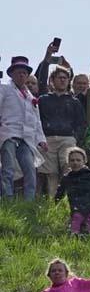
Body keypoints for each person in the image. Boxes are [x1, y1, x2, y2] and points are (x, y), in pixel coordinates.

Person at [0, 56, 48, 200]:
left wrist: (41, 139)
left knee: (30, 170)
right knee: (7, 169)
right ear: (12, 74)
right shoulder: (4, 89)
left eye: (24, 72)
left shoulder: (31, 97)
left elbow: (37, 120)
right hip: (8, 133)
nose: (21, 75)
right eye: (18, 72)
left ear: (27, 75)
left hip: (26, 137)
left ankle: (29, 202)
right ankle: (7, 198)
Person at [37, 65, 86, 197]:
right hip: (48, 139)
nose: (63, 80)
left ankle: (69, 199)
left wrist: (75, 138)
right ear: (52, 80)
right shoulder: (43, 100)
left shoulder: (74, 102)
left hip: (67, 138)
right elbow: (37, 121)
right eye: (60, 78)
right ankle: (54, 201)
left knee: (68, 168)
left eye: (65, 78)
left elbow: (81, 123)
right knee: (50, 173)